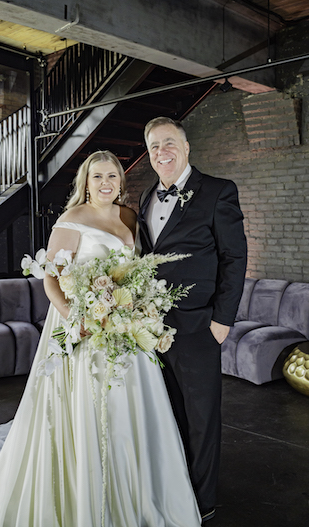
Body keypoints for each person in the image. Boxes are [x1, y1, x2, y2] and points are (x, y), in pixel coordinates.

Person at [0, 150, 201, 527]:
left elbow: (133, 271)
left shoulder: (128, 215)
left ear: (121, 182)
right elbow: (50, 281)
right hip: (83, 329)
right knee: (89, 407)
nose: (106, 184)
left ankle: (138, 490)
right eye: (97, 177)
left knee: (133, 407)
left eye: (112, 176)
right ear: (85, 182)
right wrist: (78, 319)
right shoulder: (70, 220)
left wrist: (137, 307)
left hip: (124, 325)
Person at [138, 117, 247, 523]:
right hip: (153, 329)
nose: (161, 152)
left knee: (202, 417)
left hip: (201, 326)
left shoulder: (219, 191)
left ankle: (202, 502)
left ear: (186, 148)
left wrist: (222, 321)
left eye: (168, 143)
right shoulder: (147, 195)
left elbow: (234, 258)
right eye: (153, 147)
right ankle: (176, 486)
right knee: (170, 413)